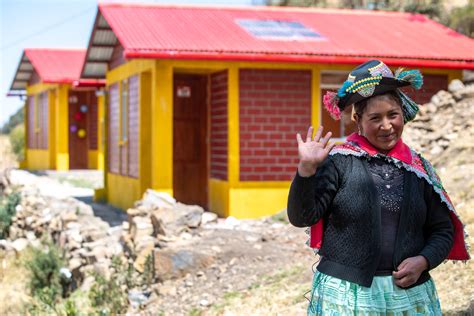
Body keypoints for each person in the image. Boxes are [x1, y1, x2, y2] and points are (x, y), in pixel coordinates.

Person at [287, 60, 469, 315]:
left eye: (392, 115)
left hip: (409, 297)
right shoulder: (339, 162)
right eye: (375, 118)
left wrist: (424, 261)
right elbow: (301, 217)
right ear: (358, 120)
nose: (386, 126)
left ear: (402, 113)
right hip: (345, 298)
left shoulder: (418, 169)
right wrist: (306, 171)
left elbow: (442, 229)